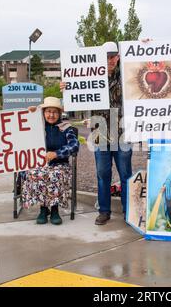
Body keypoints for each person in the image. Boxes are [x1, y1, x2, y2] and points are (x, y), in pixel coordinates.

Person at [61, 42, 132, 225]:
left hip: (123, 131)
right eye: (106, 56)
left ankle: (129, 212)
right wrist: (67, 89)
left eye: (113, 56)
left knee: (125, 174)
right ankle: (104, 211)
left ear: (118, 57)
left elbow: (144, 66)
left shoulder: (127, 75)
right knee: (102, 173)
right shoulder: (90, 76)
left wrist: (144, 45)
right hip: (100, 131)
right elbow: (76, 96)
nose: (110, 60)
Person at [23, 97, 79, 225]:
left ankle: (54, 209)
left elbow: (74, 145)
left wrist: (56, 154)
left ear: (59, 114)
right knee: (35, 173)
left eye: (55, 112)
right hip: (40, 164)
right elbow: (19, 130)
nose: (51, 115)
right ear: (43, 113)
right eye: (48, 111)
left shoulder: (66, 128)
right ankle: (43, 209)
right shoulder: (37, 127)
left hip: (60, 164)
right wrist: (29, 114)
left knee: (55, 174)